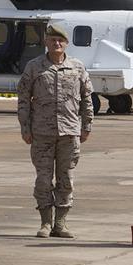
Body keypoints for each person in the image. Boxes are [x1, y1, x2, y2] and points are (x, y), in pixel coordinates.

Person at [17, 23, 94, 239]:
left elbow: (87, 98)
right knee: (43, 179)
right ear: (46, 43)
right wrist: (25, 126)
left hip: (69, 132)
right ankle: (45, 222)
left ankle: (60, 223)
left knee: (66, 178)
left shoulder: (77, 67)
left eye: (60, 40)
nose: (56, 43)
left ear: (66, 43)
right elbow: (23, 98)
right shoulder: (34, 67)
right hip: (41, 133)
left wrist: (87, 125)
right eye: (52, 40)